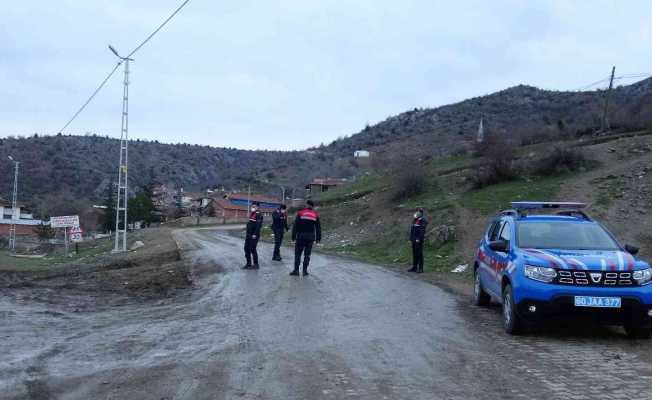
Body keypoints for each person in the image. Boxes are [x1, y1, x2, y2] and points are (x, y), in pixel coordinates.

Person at [291, 199, 321, 276]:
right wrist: (318, 239)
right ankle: (305, 271)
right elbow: (318, 228)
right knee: (307, 255)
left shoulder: (301, 213)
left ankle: (296, 271)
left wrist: (293, 237)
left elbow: (295, 226)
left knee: (298, 254)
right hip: (310, 238)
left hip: (301, 236)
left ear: (307, 205)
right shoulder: (315, 215)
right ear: (313, 206)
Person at [243, 202, 263, 270]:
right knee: (246, 249)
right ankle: (248, 264)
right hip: (248, 235)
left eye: (254, 206)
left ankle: (256, 264)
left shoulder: (259, 215)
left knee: (252, 249)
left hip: (254, 235)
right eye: (252, 206)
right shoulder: (252, 214)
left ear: (257, 207)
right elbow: (250, 223)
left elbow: (258, 226)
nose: (252, 207)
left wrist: (255, 234)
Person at [408, 207, 428, 273]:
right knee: (414, 253)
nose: (416, 213)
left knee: (419, 254)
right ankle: (414, 267)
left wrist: (418, 239)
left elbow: (422, 231)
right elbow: (412, 230)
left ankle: (421, 268)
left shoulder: (423, 221)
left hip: (418, 240)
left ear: (421, 213)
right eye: (416, 212)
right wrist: (410, 238)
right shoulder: (414, 220)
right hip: (414, 239)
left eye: (418, 212)